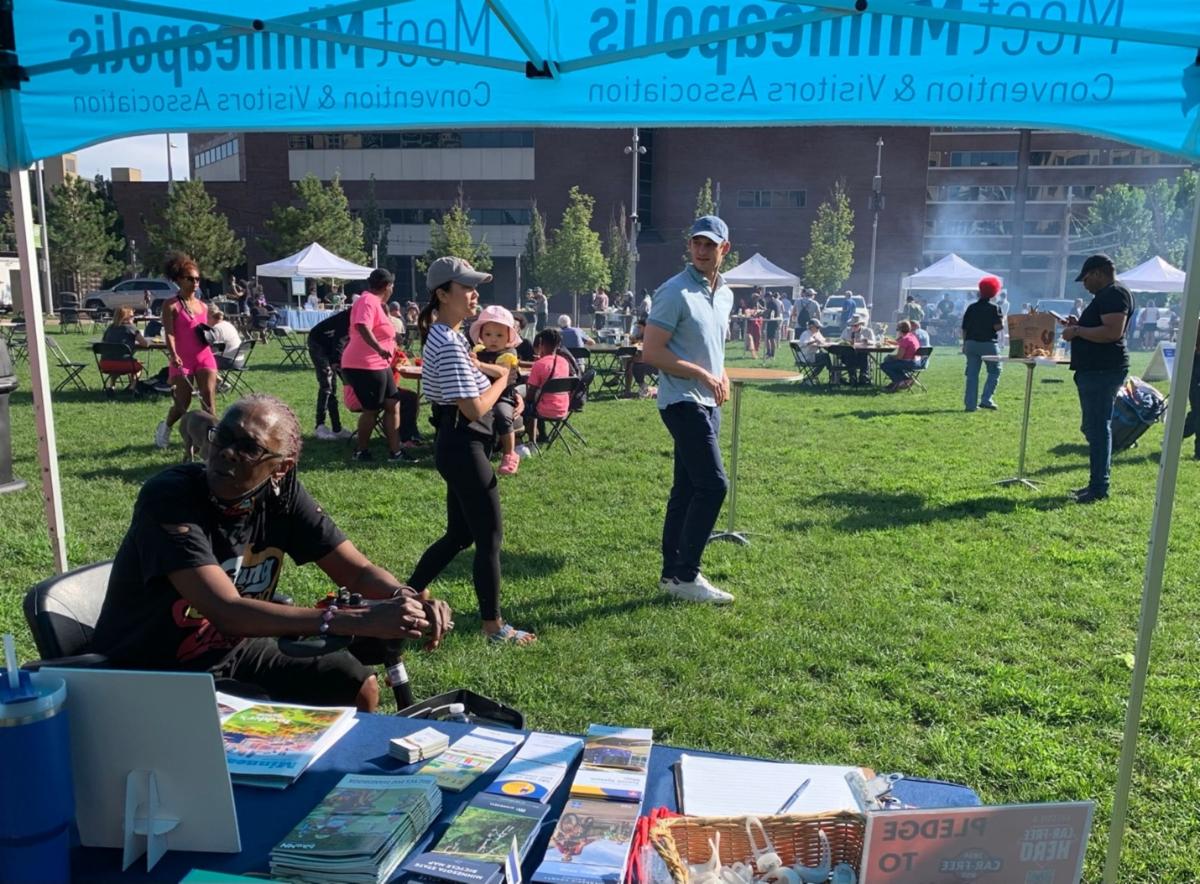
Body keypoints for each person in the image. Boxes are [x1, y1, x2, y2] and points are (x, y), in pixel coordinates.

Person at [88, 395, 452, 711]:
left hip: (233, 651)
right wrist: (352, 620)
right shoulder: (170, 497)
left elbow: (355, 572)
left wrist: (405, 599)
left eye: (249, 448)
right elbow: (228, 612)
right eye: (222, 438)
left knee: (355, 684)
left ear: (282, 468)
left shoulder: (284, 496)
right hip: (153, 669)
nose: (227, 452)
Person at [409, 257, 535, 645]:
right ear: (442, 294)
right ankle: (493, 627)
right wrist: (507, 382)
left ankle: (407, 594)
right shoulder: (448, 342)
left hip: (458, 444)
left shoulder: (449, 336)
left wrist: (499, 376)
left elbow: (475, 373)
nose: (474, 293)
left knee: (459, 536)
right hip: (464, 445)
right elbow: (475, 406)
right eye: (466, 287)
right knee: (489, 538)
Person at [642, 215, 735, 605]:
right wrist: (701, 374)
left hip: (708, 400)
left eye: (709, 245)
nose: (701, 250)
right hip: (682, 401)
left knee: (686, 489)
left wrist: (722, 372)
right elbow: (652, 352)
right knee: (714, 485)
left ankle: (671, 575)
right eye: (696, 243)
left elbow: (711, 345)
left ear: (723, 249)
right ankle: (686, 574)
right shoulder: (674, 292)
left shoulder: (725, 293)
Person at [1062, 254, 1134, 503]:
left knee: (1097, 428)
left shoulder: (1114, 294)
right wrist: (1079, 325)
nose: (1084, 284)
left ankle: (1099, 487)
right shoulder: (1108, 295)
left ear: (1098, 273)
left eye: (1086, 278)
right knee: (1093, 427)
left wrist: (1078, 331)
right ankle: (1096, 484)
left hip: (1102, 370)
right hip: (1096, 370)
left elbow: (1112, 332)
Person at [340, 268, 412, 463]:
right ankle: (361, 451)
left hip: (379, 364)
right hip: (364, 364)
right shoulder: (368, 300)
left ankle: (396, 452)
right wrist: (379, 348)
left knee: (392, 403)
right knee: (371, 409)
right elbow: (362, 326)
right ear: (389, 286)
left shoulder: (377, 303)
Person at [155, 253, 218, 450]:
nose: (195, 282)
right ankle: (165, 427)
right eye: (190, 278)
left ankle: (211, 440)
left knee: (208, 400)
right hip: (182, 359)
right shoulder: (171, 305)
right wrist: (173, 355)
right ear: (179, 280)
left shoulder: (203, 306)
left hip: (204, 356)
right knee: (183, 403)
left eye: (197, 279)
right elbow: (170, 333)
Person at [469, 305, 524, 476]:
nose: (493, 339)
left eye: (499, 335)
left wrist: (480, 365)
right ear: (480, 336)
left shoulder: (509, 353)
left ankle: (509, 454)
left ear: (508, 336)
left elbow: (502, 372)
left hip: (502, 397)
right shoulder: (478, 352)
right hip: (482, 394)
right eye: (488, 334)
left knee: (502, 414)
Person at [307, 307, 355, 441]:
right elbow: (339, 341)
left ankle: (336, 428)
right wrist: (335, 361)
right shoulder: (346, 318)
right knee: (326, 385)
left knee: (332, 387)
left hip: (329, 345)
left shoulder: (354, 316)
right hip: (318, 343)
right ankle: (320, 426)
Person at [960, 276, 1004, 412]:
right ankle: (986, 399)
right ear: (994, 292)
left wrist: (964, 344)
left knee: (972, 374)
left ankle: (970, 405)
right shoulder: (995, 308)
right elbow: (998, 327)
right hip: (988, 344)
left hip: (971, 343)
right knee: (995, 371)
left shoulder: (971, 308)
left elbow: (964, 328)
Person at [525, 328, 576, 441]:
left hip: (544, 410)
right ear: (558, 344)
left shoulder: (539, 364)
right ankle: (541, 435)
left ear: (541, 343)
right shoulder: (564, 362)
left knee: (525, 403)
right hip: (563, 408)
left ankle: (531, 437)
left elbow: (530, 395)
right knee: (543, 397)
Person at [100, 306, 147, 391]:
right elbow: (144, 344)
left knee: (115, 363)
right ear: (126, 317)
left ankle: (112, 386)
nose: (134, 318)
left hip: (105, 363)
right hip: (125, 364)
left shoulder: (109, 328)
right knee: (138, 366)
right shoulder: (131, 328)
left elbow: (103, 342)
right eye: (132, 316)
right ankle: (132, 387)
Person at [881, 320, 921, 391]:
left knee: (884, 365)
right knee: (892, 363)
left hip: (910, 363)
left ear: (899, 329)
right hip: (918, 362)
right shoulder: (911, 336)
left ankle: (900, 381)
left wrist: (890, 356)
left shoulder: (905, 339)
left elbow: (899, 357)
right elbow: (898, 342)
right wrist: (889, 341)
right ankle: (905, 379)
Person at [837, 314, 874, 385]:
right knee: (849, 354)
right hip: (848, 356)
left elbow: (874, 342)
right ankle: (852, 377)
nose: (853, 327)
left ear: (860, 324)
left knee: (864, 355)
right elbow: (840, 341)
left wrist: (867, 341)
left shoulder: (868, 331)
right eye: (852, 325)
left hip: (862, 356)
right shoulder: (847, 330)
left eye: (856, 325)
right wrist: (847, 342)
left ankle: (863, 377)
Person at [763, 291, 783, 359]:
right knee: (768, 337)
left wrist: (761, 314)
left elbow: (768, 311)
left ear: (769, 297)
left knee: (771, 338)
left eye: (766, 298)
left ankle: (772, 354)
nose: (765, 300)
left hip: (772, 322)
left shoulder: (771, 303)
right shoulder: (774, 302)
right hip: (772, 321)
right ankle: (769, 352)